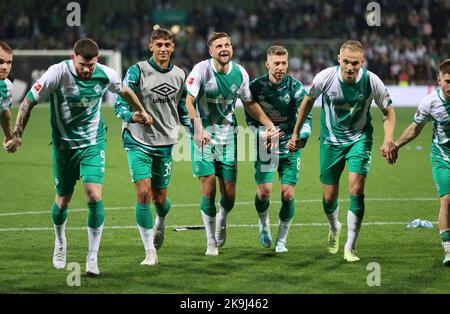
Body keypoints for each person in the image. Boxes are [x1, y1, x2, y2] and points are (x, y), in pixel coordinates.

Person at [5, 38, 152, 276]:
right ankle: (60, 242)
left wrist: (141, 110)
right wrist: (18, 135)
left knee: (94, 196)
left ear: (97, 61)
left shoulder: (105, 74)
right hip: (63, 147)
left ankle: (92, 257)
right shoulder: (57, 73)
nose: (87, 70)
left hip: (93, 143)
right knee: (63, 201)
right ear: (73, 58)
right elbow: (29, 101)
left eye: (91, 65)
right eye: (83, 64)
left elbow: (124, 91)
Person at [287, 40, 397, 262]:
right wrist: (295, 132)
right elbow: (307, 102)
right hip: (330, 141)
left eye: (355, 63)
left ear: (362, 63)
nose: (349, 67)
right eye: (346, 62)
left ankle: (350, 246)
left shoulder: (371, 81)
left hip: (360, 139)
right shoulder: (326, 77)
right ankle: (334, 228)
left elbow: (389, 113)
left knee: (356, 190)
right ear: (339, 59)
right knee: (329, 198)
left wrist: (388, 140)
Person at [185, 32, 278, 256]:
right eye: (219, 46)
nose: (224, 48)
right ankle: (210, 242)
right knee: (208, 187)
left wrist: (268, 123)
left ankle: (222, 218)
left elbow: (248, 102)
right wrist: (198, 128)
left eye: (227, 45)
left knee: (229, 196)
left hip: (228, 138)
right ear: (211, 51)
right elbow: (188, 101)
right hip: (203, 136)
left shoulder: (240, 73)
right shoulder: (201, 70)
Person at [115, 28, 191, 266]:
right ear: (150, 46)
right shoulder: (137, 71)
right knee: (143, 193)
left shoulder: (180, 75)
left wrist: (194, 129)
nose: (163, 49)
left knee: (160, 200)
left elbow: (182, 109)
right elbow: (120, 102)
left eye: (167, 45)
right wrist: (132, 116)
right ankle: (150, 251)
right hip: (137, 139)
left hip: (165, 142)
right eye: (159, 45)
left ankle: (161, 219)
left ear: (173, 47)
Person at [246, 45, 312, 253]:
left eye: (284, 63)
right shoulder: (255, 88)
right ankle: (263, 224)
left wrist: (300, 136)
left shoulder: (296, 88)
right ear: (267, 64)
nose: (281, 67)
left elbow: (307, 120)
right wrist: (261, 134)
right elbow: (249, 120)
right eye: (276, 63)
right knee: (264, 193)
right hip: (265, 146)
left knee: (288, 194)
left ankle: (281, 241)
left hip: (289, 147)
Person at [386, 59, 450, 266]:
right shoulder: (430, 102)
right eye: (447, 81)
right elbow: (415, 128)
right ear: (439, 80)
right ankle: (448, 249)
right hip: (442, 157)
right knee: (447, 200)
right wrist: (395, 145)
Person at [0, 41, 14, 149]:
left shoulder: (6, 85)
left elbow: (4, 113)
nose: (5, 67)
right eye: (0, 62)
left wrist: (9, 137)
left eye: (9, 62)